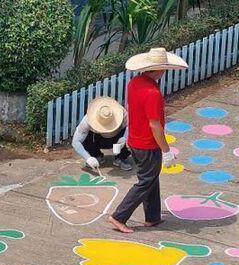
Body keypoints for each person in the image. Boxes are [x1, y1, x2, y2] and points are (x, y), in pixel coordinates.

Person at [109, 47, 188, 234]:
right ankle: (119, 216)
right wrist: (166, 150)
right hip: (147, 143)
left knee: (151, 177)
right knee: (145, 181)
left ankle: (152, 216)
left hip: (135, 139)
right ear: (159, 69)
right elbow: (155, 125)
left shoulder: (135, 82)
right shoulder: (153, 92)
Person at [71, 96, 130, 173]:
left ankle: (121, 157)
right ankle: (96, 155)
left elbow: (130, 126)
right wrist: (88, 158)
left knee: (125, 132)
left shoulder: (122, 113)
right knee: (86, 137)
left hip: (117, 137)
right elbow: (76, 142)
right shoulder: (87, 120)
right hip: (98, 139)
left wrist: (124, 138)